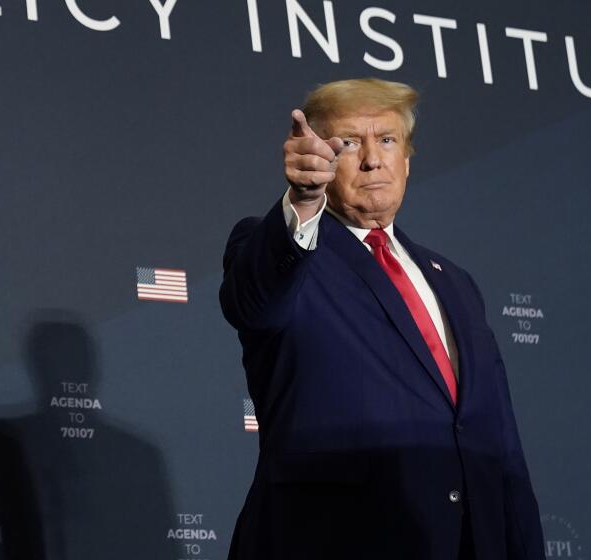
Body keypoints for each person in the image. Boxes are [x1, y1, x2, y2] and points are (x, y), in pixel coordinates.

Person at [219, 78, 545, 560]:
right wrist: (303, 203)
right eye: (350, 143)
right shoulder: (284, 249)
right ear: (321, 158)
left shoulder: (454, 281)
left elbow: (500, 445)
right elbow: (255, 303)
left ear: (407, 160)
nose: (373, 159)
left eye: (387, 140)